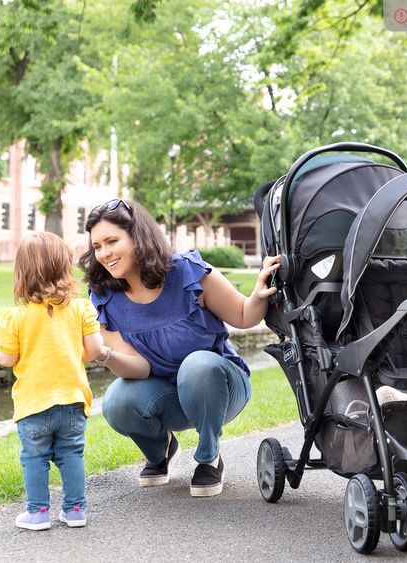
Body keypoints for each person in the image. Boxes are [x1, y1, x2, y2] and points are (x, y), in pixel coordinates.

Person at [78, 199, 280, 497]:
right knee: (117, 400)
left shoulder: (187, 272)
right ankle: (160, 451)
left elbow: (243, 316)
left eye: (112, 241)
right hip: (167, 395)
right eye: (97, 246)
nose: (104, 253)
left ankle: (209, 457)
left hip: (219, 386)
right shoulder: (104, 296)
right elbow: (141, 368)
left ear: (138, 237)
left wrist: (259, 293)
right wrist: (104, 354)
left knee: (197, 365)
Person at [0, 232, 107, 531]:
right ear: (65, 268)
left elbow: (6, 359)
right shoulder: (81, 308)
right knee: (72, 454)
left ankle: (38, 513)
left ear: (22, 273)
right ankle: (74, 511)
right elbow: (95, 350)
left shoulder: (15, 318)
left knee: (35, 458)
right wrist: (70, 356)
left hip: (33, 404)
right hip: (72, 400)